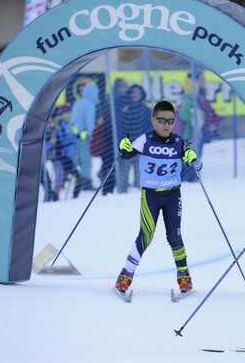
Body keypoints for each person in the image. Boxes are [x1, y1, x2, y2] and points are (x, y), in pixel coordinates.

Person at [112, 100, 202, 303]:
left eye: (170, 120)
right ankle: (124, 279)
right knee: (146, 235)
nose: (166, 124)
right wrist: (123, 146)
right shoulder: (145, 140)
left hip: (172, 195)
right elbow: (125, 155)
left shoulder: (179, 143)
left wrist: (193, 158)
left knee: (175, 236)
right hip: (151, 196)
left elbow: (198, 165)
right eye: (161, 120)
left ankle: (184, 279)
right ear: (153, 120)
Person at [114, 81, 152, 193]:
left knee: (139, 170)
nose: (135, 95)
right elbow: (120, 126)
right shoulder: (124, 109)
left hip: (140, 147)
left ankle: (139, 191)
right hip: (127, 145)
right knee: (124, 170)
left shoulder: (146, 109)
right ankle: (122, 191)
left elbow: (149, 128)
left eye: (138, 93)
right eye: (133, 93)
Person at [46, 103, 83, 199]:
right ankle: (53, 201)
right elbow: (61, 142)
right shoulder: (58, 126)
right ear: (61, 115)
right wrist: (75, 138)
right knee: (58, 183)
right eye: (66, 113)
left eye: (69, 112)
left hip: (67, 157)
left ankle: (74, 199)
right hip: (60, 158)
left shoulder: (69, 124)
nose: (68, 115)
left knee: (78, 177)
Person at [70, 81, 99, 190]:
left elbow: (73, 121)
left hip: (75, 137)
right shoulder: (90, 105)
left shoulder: (77, 103)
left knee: (79, 160)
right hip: (85, 137)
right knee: (86, 160)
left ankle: (80, 179)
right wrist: (92, 135)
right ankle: (86, 182)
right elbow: (89, 122)